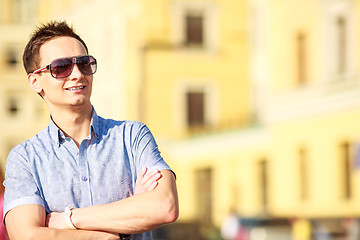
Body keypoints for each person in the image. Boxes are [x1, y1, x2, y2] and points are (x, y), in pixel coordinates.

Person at [3, 21, 179, 240]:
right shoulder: (25, 159)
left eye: (84, 64)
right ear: (35, 81)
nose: (77, 74)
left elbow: (165, 206)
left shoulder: (132, 136)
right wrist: (120, 226)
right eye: (61, 67)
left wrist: (68, 219)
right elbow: (27, 236)